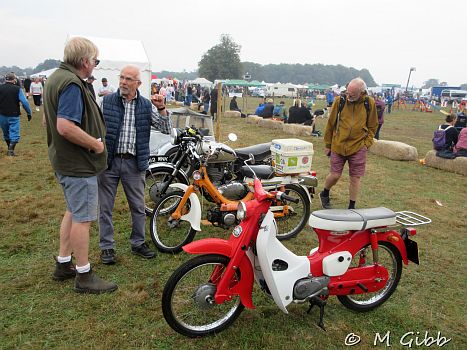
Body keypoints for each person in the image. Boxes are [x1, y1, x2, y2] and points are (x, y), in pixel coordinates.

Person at [43, 36, 117, 294]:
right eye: (95, 60)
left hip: (65, 162)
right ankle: (84, 274)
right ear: (85, 61)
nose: (96, 65)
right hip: (78, 164)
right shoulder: (72, 83)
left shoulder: (55, 78)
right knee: (83, 219)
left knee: (73, 211)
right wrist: (95, 145)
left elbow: (49, 121)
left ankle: (64, 263)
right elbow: (65, 126)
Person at [98, 65, 172, 265]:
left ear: (138, 83)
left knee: (138, 207)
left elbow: (166, 128)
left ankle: (138, 243)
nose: (123, 82)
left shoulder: (146, 105)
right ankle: (107, 248)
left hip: (134, 163)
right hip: (109, 162)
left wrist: (162, 108)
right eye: (122, 77)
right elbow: (93, 126)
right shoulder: (106, 102)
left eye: (128, 79)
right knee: (105, 207)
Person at [319, 77, 378, 210]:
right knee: (335, 175)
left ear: (362, 93)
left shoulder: (369, 103)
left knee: (355, 178)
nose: (348, 96)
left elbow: (373, 125)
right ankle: (325, 193)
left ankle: (352, 207)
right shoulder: (339, 101)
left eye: (352, 94)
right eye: (347, 92)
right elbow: (330, 124)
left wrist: (366, 144)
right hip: (338, 144)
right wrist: (328, 144)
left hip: (358, 146)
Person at [0, 72, 32, 156]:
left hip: (2, 114)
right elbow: (24, 102)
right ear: (14, 80)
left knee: (6, 133)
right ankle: (11, 151)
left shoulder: (0, 88)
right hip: (14, 114)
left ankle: (9, 149)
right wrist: (29, 113)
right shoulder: (18, 89)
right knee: (14, 133)